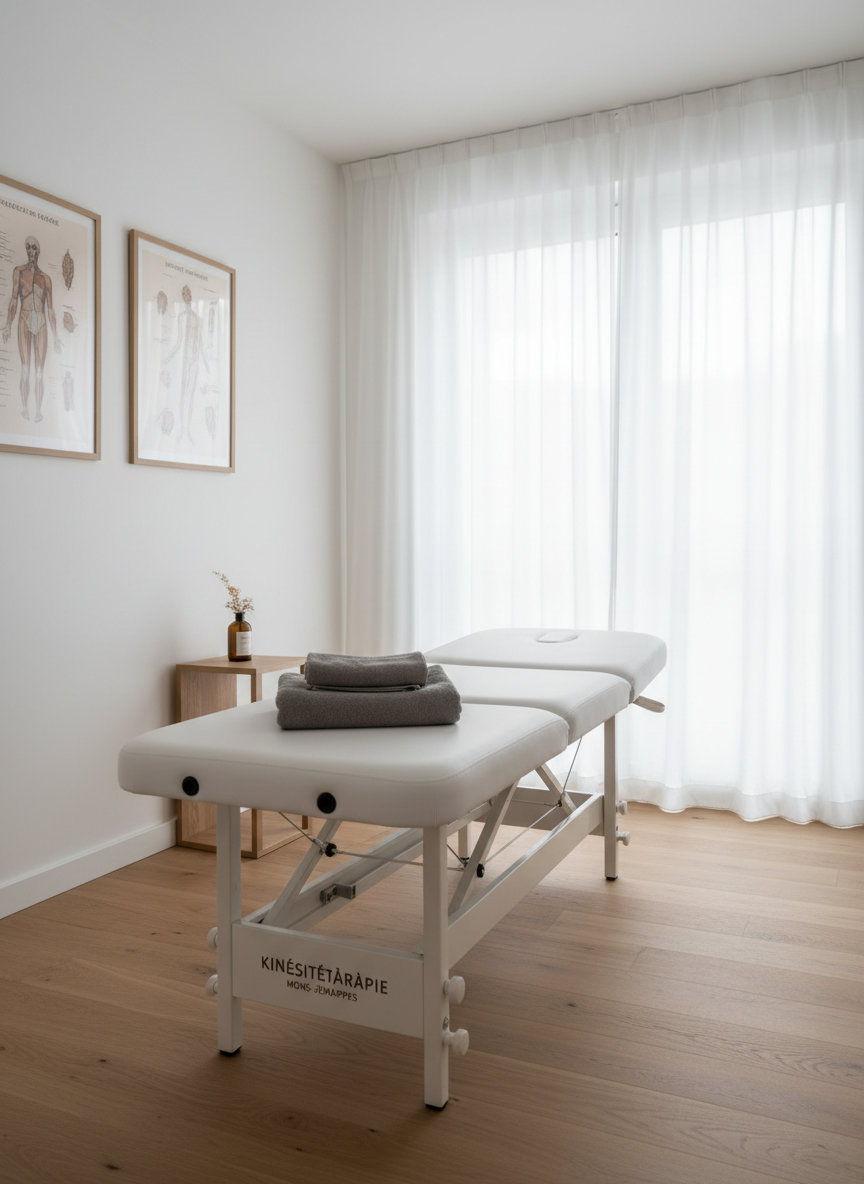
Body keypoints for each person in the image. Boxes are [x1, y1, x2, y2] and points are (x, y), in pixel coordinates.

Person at [1, 236, 62, 423]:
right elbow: (14, 300)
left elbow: (50, 310)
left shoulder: (46, 279)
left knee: (39, 373)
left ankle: (38, 411)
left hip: (41, 322)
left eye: (34, 249)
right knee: (25, 369)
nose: (31, 252)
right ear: (26, 251)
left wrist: (56, 336)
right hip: (24, 319)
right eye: (29, 249)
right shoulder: (19, 272)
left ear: (38, 251)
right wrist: (8, 325)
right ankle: (25, 409)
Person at [163, 284, 209, 442]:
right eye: (184, 293)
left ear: (191, 295)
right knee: (183, 394)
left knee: (191, 395)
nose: (186, 295)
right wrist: (168, 357)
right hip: (185, 361)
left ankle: (187, 428)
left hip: (195, 361)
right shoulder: (181, 317)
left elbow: (200, 343)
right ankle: (182, 429)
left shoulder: (198, 318)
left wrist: (207, 366)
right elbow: (179, 341)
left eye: (188, 292)